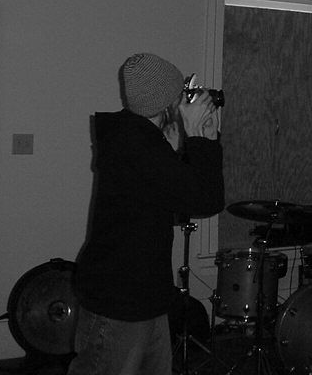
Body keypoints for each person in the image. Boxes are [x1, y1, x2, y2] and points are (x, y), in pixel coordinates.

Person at [68, 53, 225, 375]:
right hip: (120, 301)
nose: (185, 101)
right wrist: (198, 138)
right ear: (166, 103)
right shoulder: (136, 145)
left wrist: (206, 138)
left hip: (145, 294)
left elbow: (180, 192)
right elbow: (206, 200)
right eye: (181, 95)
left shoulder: (138, 138)